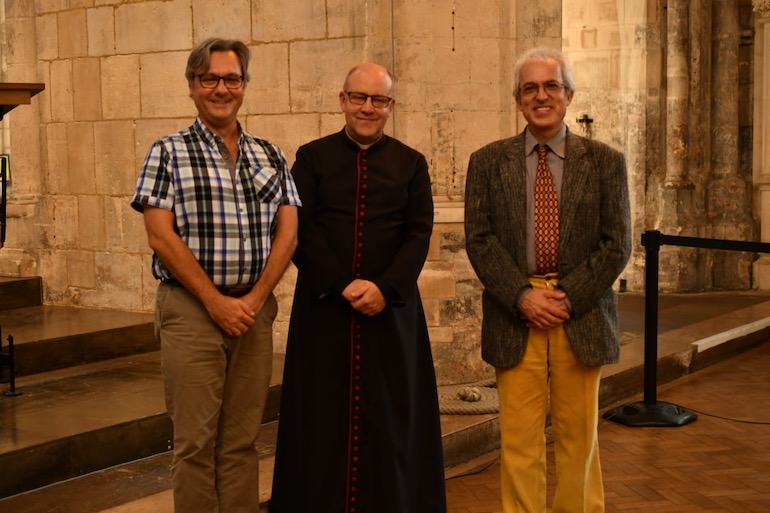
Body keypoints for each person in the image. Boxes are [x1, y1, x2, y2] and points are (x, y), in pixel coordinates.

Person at [130, 37, 301, 513]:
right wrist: (215, 301)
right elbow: (161, 237)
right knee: (195, 446)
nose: (221, 88)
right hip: (191, 311)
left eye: (231, 78)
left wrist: (254, 299)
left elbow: (288, 233)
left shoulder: (270, 154)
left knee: (242, 442)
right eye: (210, 79)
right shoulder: (167, 152)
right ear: (192, 86)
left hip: (253, 312)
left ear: (243, 86)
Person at [270, 63, 447, 513]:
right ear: (342, 100)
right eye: (359, 98)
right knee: (320, 419)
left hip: (391, 312)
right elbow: (299, 228)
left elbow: (419, 232)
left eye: (379, 100)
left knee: (392, 421)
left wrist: (385, 288)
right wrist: (342, 283)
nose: (368, 108)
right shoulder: (311, 158)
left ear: (391, 106)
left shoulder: (411, 163)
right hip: (326, 310)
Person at [464, 46, 631, 513]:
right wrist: (522, 297)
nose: (541, 96)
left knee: (580, 438)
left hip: (579, 312)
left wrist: (565, 298)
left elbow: (617, 244)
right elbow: (480, 240)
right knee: (518, 439)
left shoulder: (605, 162)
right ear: (518, 99)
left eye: (551, 86)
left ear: (569, 95)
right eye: (530, 88)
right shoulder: (488, 161)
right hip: (514, 314)